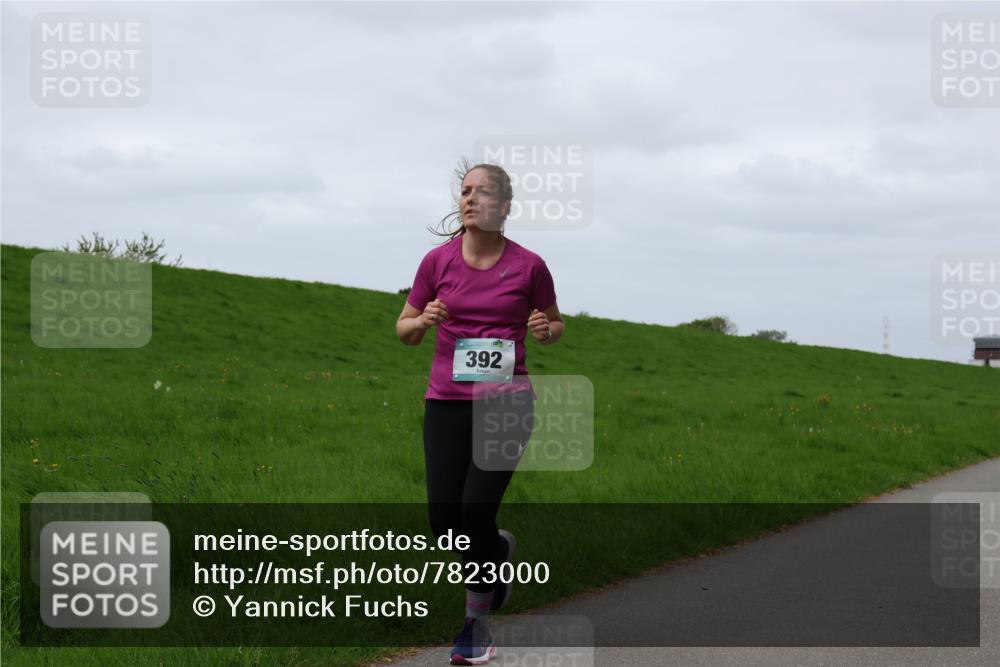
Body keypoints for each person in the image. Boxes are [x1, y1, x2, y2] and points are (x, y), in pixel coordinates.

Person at [396, 160, 563, 665]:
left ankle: (475, 626)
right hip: (446, 404)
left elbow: (555, 324)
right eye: (465, 192)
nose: (469, 199)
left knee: (475, 512)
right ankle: (498, 555)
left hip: (506, 404)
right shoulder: (436, 262)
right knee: (444, 522)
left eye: (482, 193)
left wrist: (543, 329)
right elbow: (403, 329)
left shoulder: (529, 265)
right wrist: (422, 319)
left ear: (505, 207)